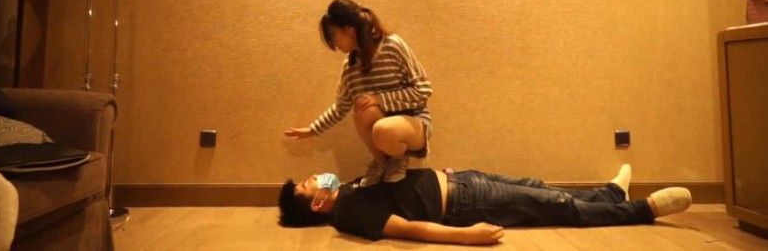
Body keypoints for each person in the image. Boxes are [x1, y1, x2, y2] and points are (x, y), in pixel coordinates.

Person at [277, 164, 692, 246]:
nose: (316, 177)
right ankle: (644, 210)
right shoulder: (348, 212)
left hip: (461, 181)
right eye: (309, 184)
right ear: (316, 204)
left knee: (538, 189)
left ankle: (611, 194)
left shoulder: (349, 190)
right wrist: (466, 236)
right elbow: (409, 229)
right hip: (463, 204)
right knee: (557, 206)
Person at [284, 0, 433, 186]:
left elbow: (423, 89)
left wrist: (379, 99)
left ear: (349, 30)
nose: (333, 43)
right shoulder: (350, 67)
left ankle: (398, 160)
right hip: (384, 131)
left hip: (415, 124)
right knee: (363, 109)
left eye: (333, 34)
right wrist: (312, 130)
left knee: (382, 127)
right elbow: (340, 108)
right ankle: (381, 162)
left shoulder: (392, 46)